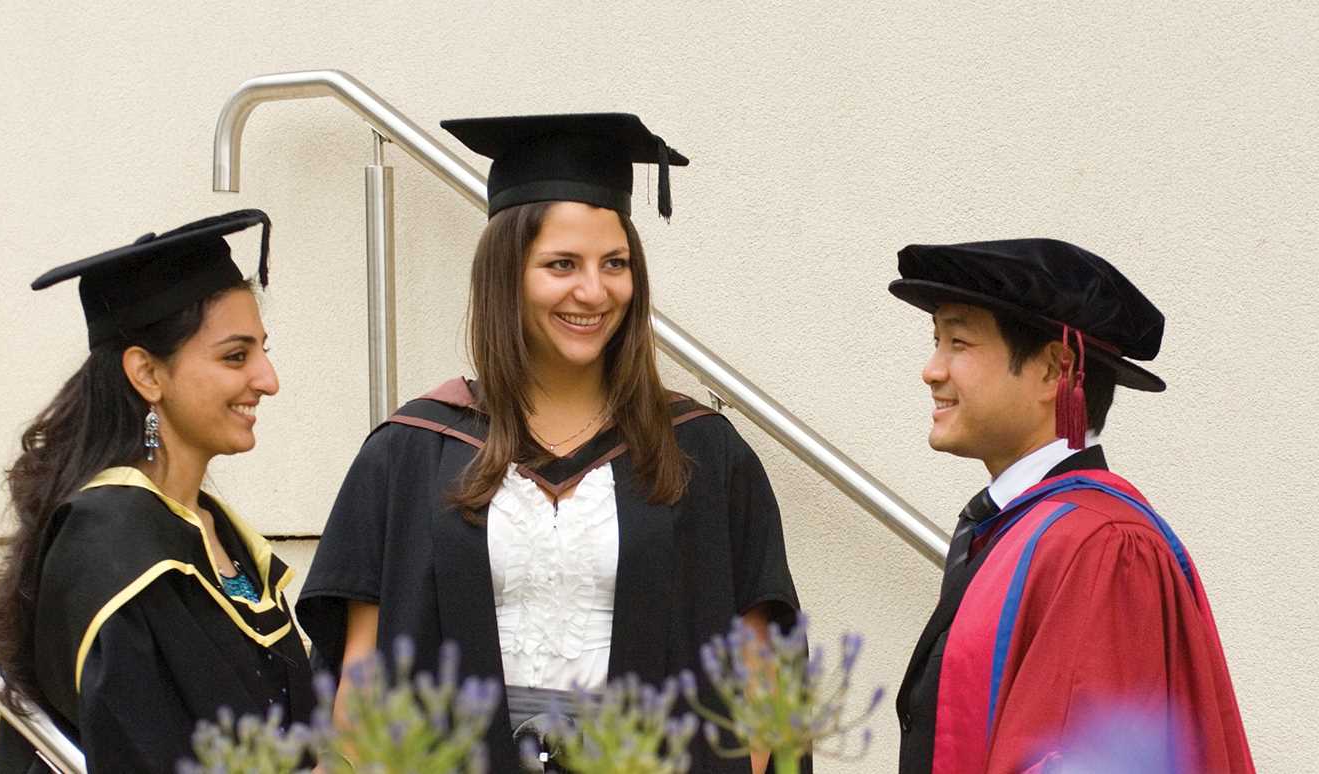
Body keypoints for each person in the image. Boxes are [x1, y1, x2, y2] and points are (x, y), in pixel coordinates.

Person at [298, 114, 804, 773]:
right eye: (561, 264)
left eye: (614, 264)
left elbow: (759, 686)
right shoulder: (411, 452)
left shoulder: (702, 454)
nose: (593, 291)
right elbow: (360, 692)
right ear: (506, 274)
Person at [887, 239, 1254, 773]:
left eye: (958, 342)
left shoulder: (1104, 547)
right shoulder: (1018, 529)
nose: (931, 370)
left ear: (1054, 370)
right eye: (936, 341)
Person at [0, 211, 314, 773]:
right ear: (147, 374)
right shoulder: (110, 546)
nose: (268, 379)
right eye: (236, 356)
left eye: (263, 350)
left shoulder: (213, 530)